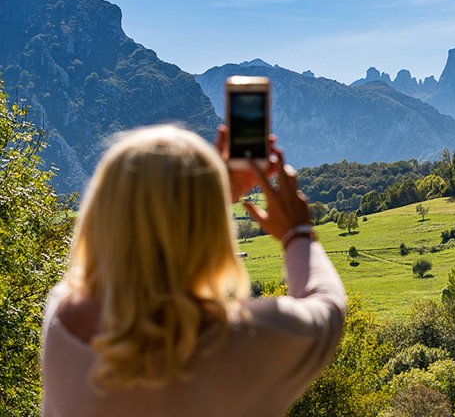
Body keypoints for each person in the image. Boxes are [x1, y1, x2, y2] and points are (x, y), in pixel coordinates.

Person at [40, 125, 346, 416]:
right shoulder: (245, 340)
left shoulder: (60, 318)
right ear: (213, 231)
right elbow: (328, 308)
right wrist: (297, 232)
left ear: (100, 214)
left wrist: (203, 188)